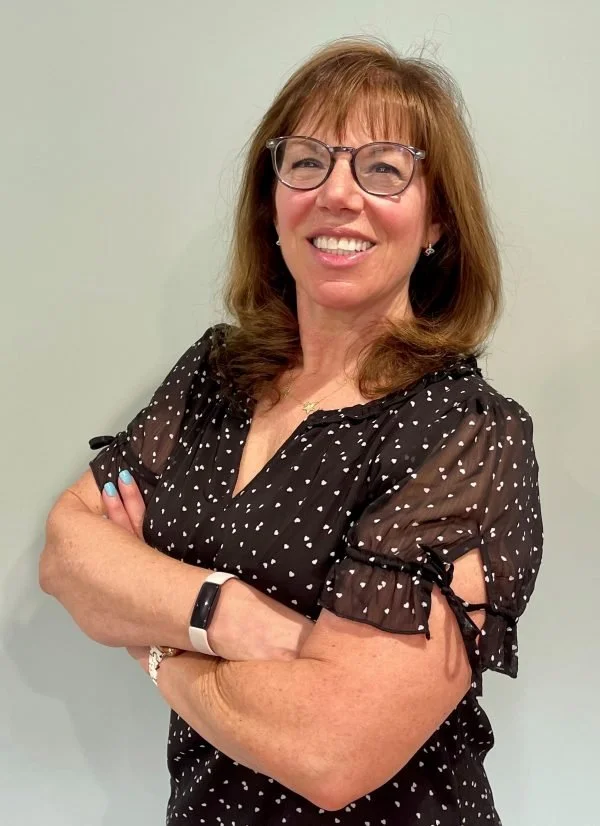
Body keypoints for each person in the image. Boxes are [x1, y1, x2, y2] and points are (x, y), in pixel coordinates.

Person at [39, 36, 543, 826]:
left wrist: (157, 645)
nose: (338, 195)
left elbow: (328, 752)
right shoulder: (215, 376)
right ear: (271, 201)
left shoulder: (469, 433)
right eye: (306, 161)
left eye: (383, 168)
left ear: (438, 219)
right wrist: (224, 612)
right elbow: (70, 553)